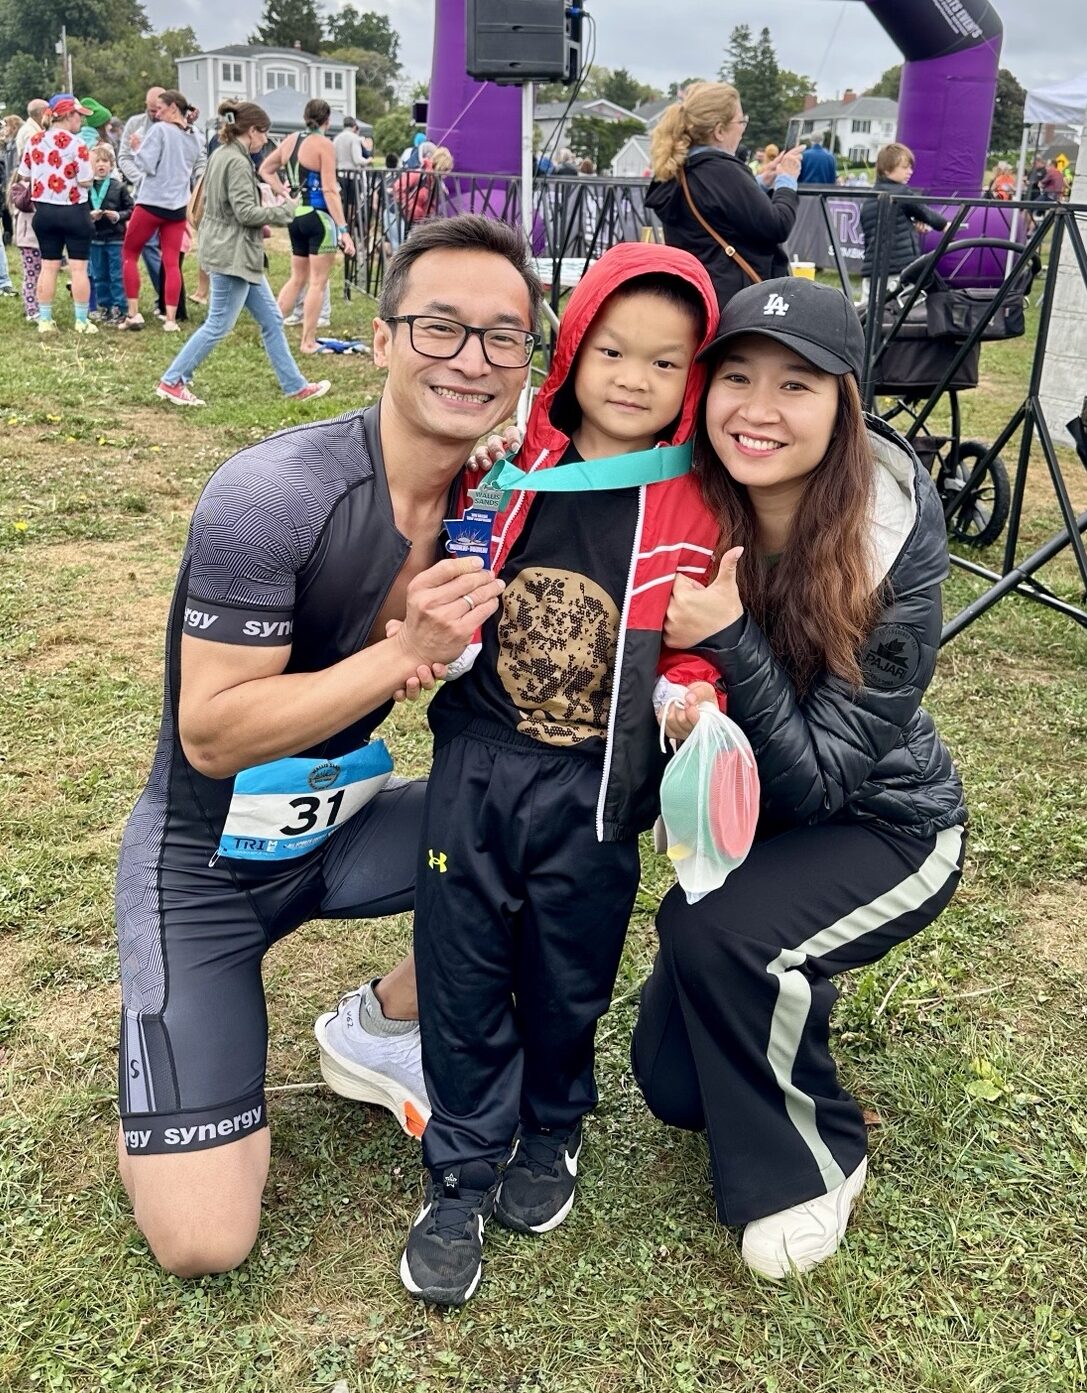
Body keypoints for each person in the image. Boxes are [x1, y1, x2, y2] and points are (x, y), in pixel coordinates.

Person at [114, 213, 540, 1279]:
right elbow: (211, 734)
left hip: (340, 830)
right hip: (203, 863)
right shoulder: (276, 493)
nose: (470, 360)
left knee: (548, 828)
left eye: (502, 338)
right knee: (205, 1239)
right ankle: (191, 1041)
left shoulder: (498, 499)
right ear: (384, 337)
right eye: (441, 328)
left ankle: (382, 1022)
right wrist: (408, 649)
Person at [378, 242, 723, 1308]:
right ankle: (462, 1165)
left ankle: (555, 1124)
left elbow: (691, 642)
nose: (632, 377)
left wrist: (688, 694)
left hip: (597, 787)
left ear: (692, 380)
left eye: (664, 364)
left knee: (570, 966)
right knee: (464, 959)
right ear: (570, 350)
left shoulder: (694, 503)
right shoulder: (508, 464)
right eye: (611, 349)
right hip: (481, 764)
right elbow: (440, 579)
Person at [629, 276, 967, 1281]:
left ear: (844, 404)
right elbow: (570, 456)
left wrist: (729, 641)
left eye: (796, 385)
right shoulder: (691, 495)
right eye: (736, 377)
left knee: (709, 933)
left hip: (887, 825)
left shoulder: (888, 539)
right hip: (760, 822)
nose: (759, 410)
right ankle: (788, 989)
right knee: (671, 1087)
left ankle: (816, 1161)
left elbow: (820, 780)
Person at [154, 101, 330, 408]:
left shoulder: (223, 154)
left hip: (234, 253)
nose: (266, 140)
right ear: (252, 131)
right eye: (265, 133)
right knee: (218, 324)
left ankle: (295, 386)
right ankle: (172, 381)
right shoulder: (235, 161)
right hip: (232, 255)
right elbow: (245, 212)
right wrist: (285, 208)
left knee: (273, 320)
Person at [646, 82, 802, 309]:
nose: (743, 128)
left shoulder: (680, 167)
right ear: (719, 131)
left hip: (695, 294)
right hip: (734, 300)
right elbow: (778, 225)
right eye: (741, 121)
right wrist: (787, 180)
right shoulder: (723, 170)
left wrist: (758, 183)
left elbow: (715, 204)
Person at [259, 99, 355, 356]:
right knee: (317, 283)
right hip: (319, 218)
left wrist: (284, 193)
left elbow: (265, 169)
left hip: (296, 216)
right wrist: (344, 229)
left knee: (297, 277)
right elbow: (329, 190)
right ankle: (308, 341)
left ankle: (270, 333)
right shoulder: (324, 145)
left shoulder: (291, 140)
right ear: (328, 121)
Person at [120, 88, 202, 331]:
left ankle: (133, 313)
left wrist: (136, 147)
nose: (157, 114)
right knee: (171, 262)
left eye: (161, 109)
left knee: (129, 253)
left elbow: (147, 164)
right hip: (178, 206)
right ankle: (170, 319)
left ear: (173, 108)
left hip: (152, 201)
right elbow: (198, 161)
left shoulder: (160, 130)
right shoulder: (194, 134)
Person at [18, 94, 95, 335]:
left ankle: (45, 319)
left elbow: (25, 175)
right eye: (79, 116)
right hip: (74, 210)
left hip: (45, 212)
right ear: (69, 115)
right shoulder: (77, 144)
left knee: (48, 266)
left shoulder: (34, 140)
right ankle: (81, 320)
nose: (81, 121)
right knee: (78, 268)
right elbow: (85, 180)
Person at [858, 142, 948, 306]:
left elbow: (883, 229)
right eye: (904, 167)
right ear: (887, 169)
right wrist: (945, 225)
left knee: (868, 315)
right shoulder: (901, 192)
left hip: (871, 270)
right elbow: (926, 213)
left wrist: (910, 226)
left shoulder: (870, 199)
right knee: (912, 309)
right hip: (898, 269)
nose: (910, 172)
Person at [87, 142, 133, 324]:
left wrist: (118, 216)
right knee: (99, 274)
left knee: (116, 274)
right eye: (97, 161)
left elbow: (131, 209)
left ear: (111, 165)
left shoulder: (119, 187)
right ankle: (104, 306)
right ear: (91, 165)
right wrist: (89, 216)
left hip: (115, 238)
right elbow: (81, 210)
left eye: (105, 161)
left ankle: (120, 308)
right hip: (95, 239)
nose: (101, 165)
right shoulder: (87, 188)